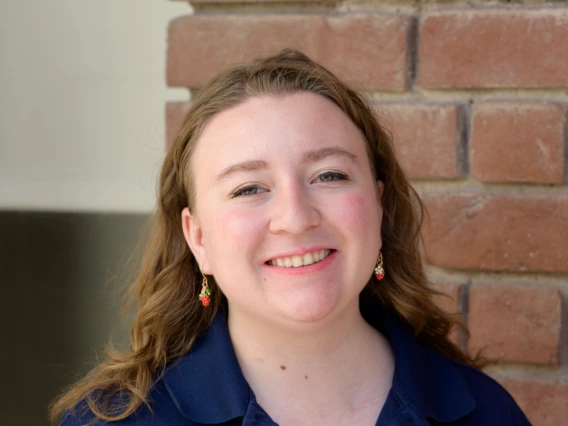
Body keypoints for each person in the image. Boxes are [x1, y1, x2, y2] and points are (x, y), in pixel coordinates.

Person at [50, 49, 531, 426]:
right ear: (198, 238)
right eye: (249, 188)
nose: (296, 218)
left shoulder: (485, 413)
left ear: (379, 205)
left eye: (329, 176)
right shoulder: (115, 423)